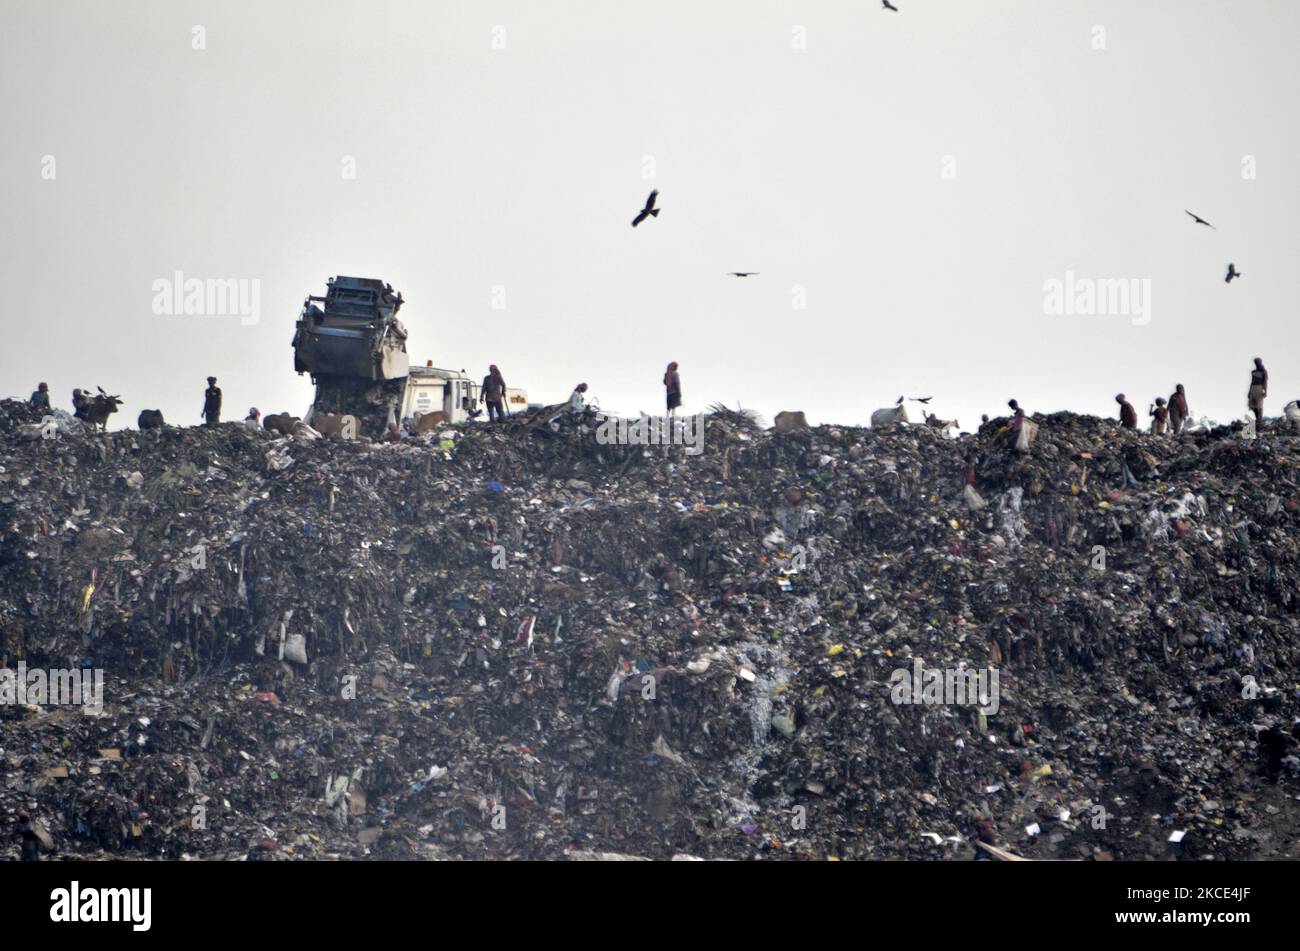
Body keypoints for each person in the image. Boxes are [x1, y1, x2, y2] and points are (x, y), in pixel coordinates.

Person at [1248, 358, 1268, 428]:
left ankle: (1260, 421)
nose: (1256, 363)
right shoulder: (1253, 371)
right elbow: (1252, 382)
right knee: (1252, 406)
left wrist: (1265, 391)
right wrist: (1249, 391)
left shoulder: (1263, 371)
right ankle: (1258, 419)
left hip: (1259, 388)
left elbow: (1265, 382)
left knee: (1259, 406)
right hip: (1253, 388)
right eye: (1255, 362)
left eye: (1258, 362)